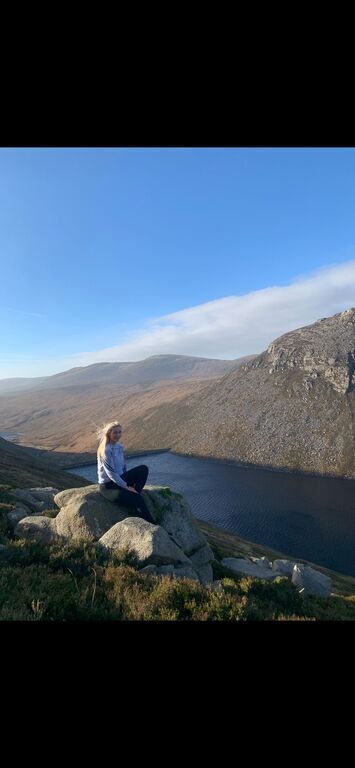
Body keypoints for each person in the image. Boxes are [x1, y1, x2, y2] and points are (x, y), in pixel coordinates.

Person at [97, 421, 155, 524]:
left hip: (120, 479)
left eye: (119, 432)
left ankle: (134, 496)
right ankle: (152, 523)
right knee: (138, 498)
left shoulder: (118, 446)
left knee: (143, 469)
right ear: (109, 433)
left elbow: (123, 466)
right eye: (115, 432)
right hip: (108, 486)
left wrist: (128, 484)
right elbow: (111, 474)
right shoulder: (106, 450)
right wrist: (126, 486)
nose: (118, 435)